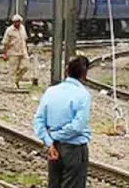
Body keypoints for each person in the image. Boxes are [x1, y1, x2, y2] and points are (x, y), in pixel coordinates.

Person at [32, 56, 92, 188]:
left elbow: (38, 120)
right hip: (74, 149)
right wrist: (55, 137)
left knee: (54, 184)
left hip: (53, 148)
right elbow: (77, 127)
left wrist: (50, 141)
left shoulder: (50, 91)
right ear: (85, 73)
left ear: (66, 71)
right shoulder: (83, 95)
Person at [2, 14, 30, 89]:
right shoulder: (9, 30)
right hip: (13, 52)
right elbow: (5, 43)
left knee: (25, 66)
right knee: (13, 70)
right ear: (13, 22)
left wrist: (27, 49)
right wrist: (5, 54)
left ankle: (16, 79)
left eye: (18, 21)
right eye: (15, 22)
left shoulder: (23, 28)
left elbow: (24, 40)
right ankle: (13, 84)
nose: (17, 23)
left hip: (23, 52)